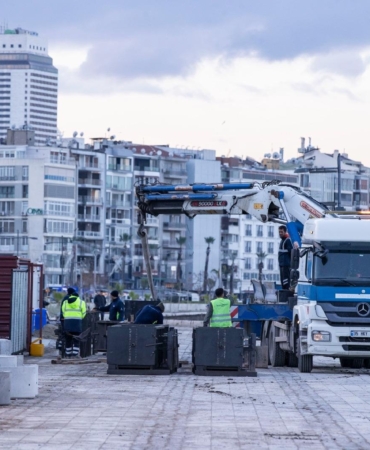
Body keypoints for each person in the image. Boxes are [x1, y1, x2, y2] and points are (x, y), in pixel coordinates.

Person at [61, 288, 86, 357]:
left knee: (68, 339)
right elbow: (84, 313)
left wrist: (67, 317)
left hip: (67, 323)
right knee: (77, 339)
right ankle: (75, 354)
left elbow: (63, 312)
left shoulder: (65, 302)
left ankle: (68, 354)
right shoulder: (81, 302)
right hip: (77, 323)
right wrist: (80, 317)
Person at [278, 225, 293, 290]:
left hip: (286, 265)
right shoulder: (282, 241)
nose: (280, 233)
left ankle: (286, 292)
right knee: (283, 281)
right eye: (279, 232)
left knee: (286, 281)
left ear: (285, 232)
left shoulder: (287, 241)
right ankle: (284, 291)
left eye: (281, 232)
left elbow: (291, 253)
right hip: (282, 265)